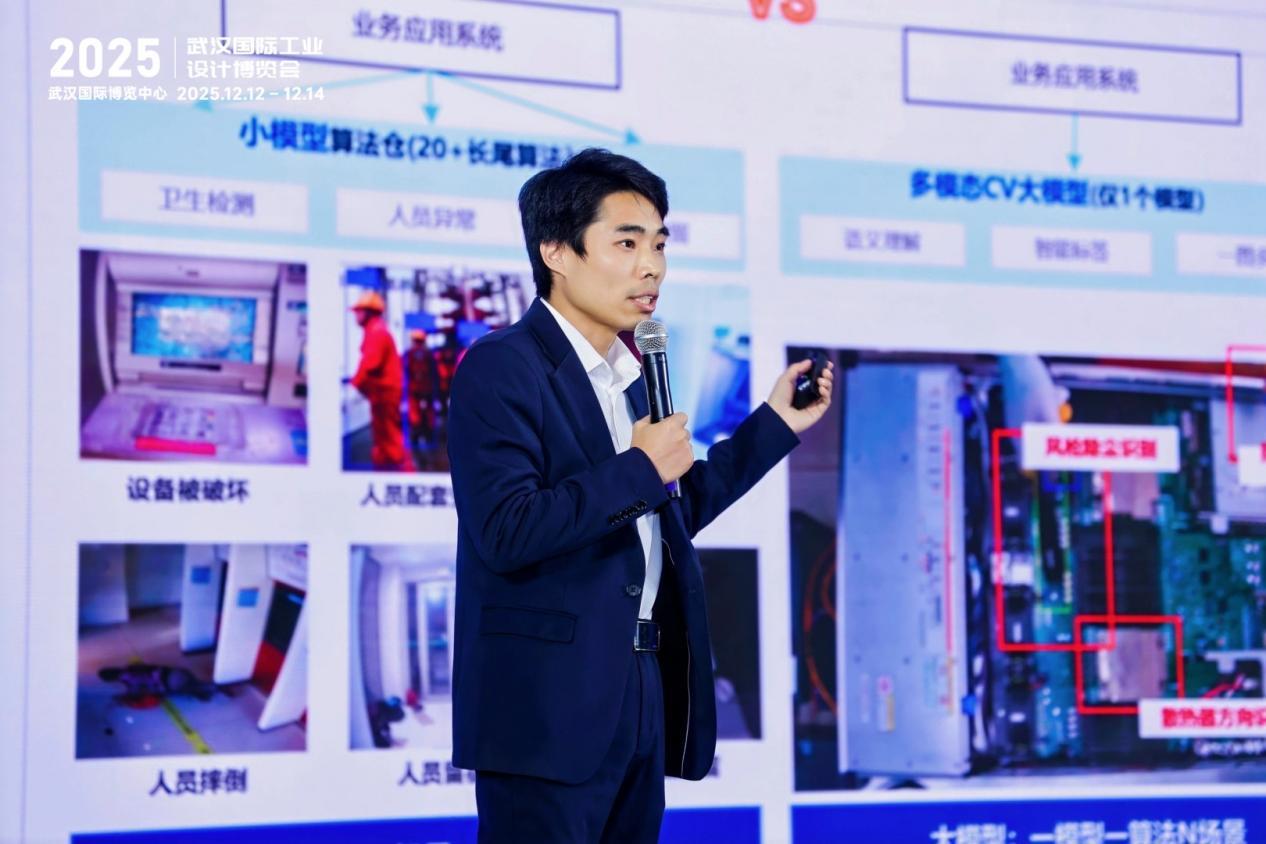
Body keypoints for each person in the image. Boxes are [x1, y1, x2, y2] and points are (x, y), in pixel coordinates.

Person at [447, 148, 833, 843]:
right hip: (546, 707)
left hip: (639, 688)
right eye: (627, 244)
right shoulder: (502, 365)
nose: (651, 266)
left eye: (659, 244)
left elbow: (667, 515)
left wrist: (774, 426)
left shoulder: (629, 375)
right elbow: (506, 529)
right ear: (556, 252)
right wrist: (639, 468)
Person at [350, 291, 415, 472]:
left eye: (359, 311)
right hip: (381, 394)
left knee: (389, 437)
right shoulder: (375, 331)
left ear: (369, 312)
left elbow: (370, 364)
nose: (356, 315)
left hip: (385, 394)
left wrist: (354, 386)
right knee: (383, 437)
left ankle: (403, 473)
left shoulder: (377, 333)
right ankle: (386, 469)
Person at [404, 329, 440, 451]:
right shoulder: (424, 354)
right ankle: (422, 438)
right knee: (419, 415)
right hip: (419, 389)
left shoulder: (413, 354)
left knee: (422, 415)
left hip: (422, 389)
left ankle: (422, 438)